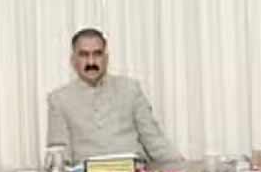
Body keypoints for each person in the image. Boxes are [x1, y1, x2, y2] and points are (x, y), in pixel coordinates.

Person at [46, 28, 182, 163]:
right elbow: (59, 155)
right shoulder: (59, 99)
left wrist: (182, 168)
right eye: (84, 55)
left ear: (106, 58)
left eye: (97, 54)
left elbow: (154, 140)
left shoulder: (130, 89)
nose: (91, 62)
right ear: (73, 60)